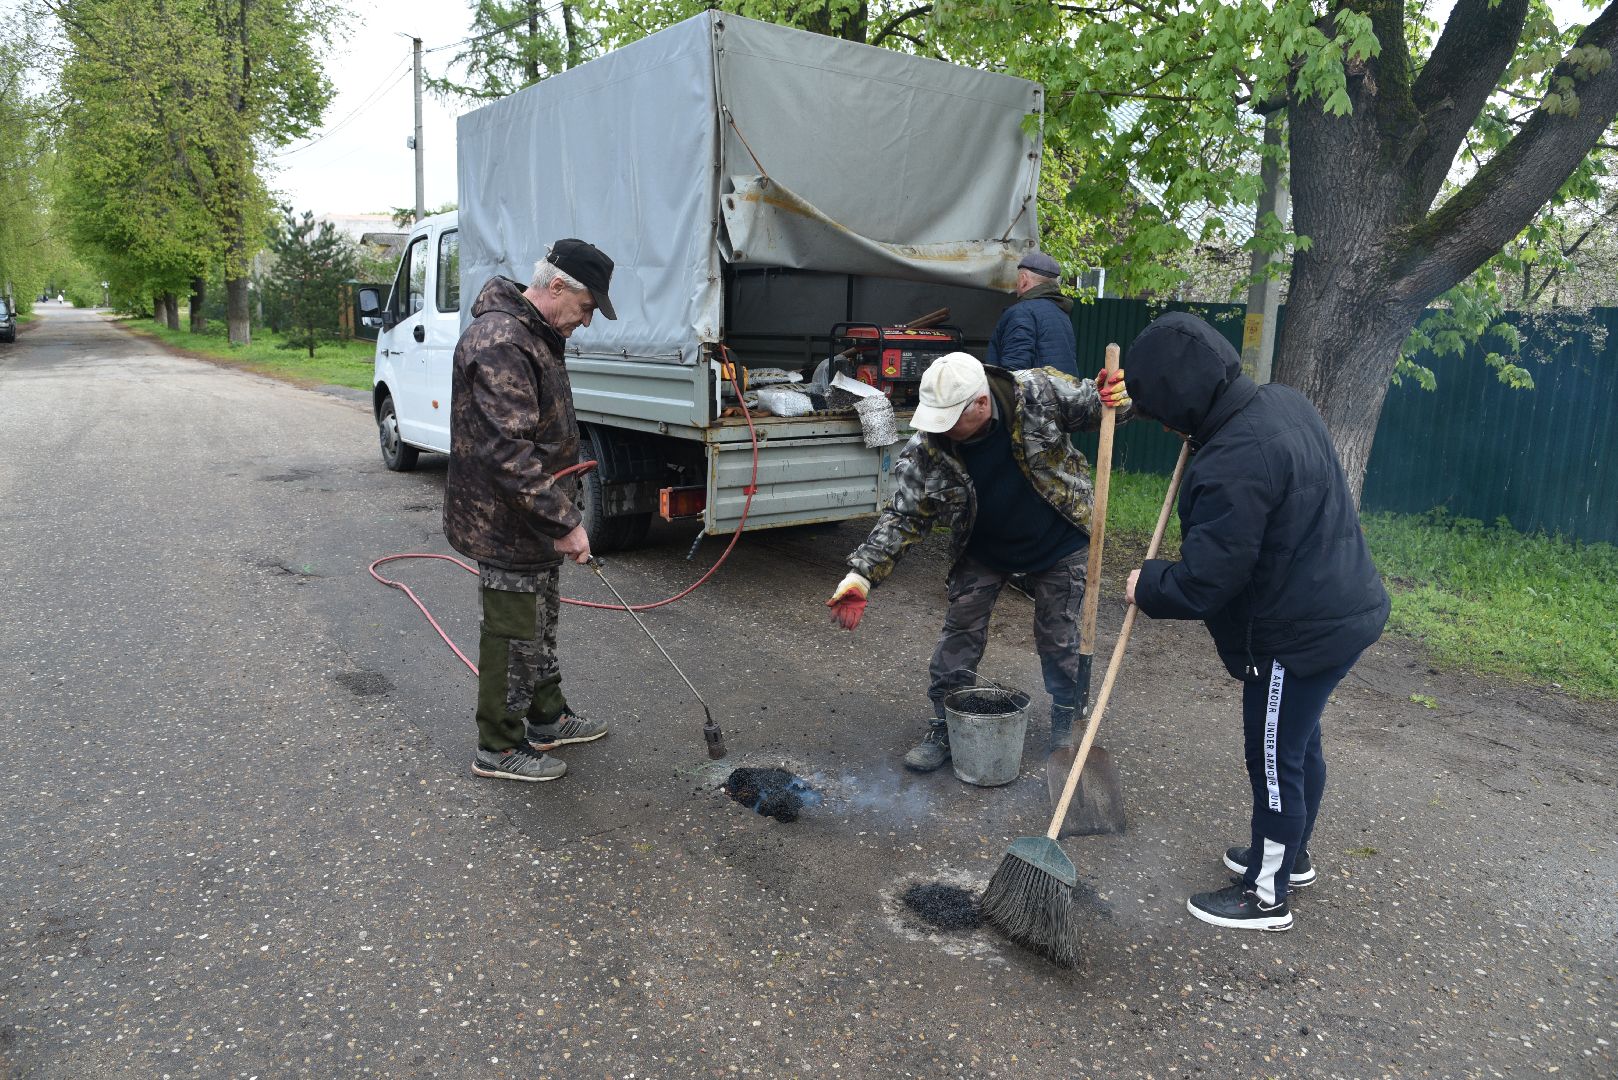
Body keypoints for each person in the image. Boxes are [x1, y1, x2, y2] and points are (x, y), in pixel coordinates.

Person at [1121, 312, 1390, 931]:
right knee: (1297, 742)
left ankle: (1265, 894)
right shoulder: (1281, 404)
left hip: (1294, 633)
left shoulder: (1233, 462)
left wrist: (1148, 583)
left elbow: (1209, 581)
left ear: (1182, 407)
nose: (1163, 426)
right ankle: (1288, 857)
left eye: (1163, 413)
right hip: (1342, 608)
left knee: (1271, 756)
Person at [826, 351, 1130, 770]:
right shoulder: (928, 446)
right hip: (983, 545)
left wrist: (1115, 396)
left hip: (1058, 538)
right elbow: (904, 515)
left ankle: (1066, 719)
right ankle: (946, 722)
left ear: (982, 404)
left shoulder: (1038, 391)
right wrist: (860, 576)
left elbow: (1098, 406)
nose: (940, 428)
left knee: (1059, 635)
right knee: (960, 630)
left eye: (950, 417)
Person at [442, 239, 619, 783]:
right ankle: (497, 744)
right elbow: (508, 453)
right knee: (512, 627)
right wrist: (564, 522)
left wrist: (556, 516)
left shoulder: (535, 335)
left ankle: (546, 716)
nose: (586, 323)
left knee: (540, 619)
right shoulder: (501, 341)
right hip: (504, 521)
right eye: (588, 308)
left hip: (531, 518)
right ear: (558, 287)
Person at [984, 250, 1078, 376]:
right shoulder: (1061, 313)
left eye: (1017, 280)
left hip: (1034, 395)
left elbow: (1013, 375)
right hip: (1062, 394)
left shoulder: (1022, 313)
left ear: (1023, 280)